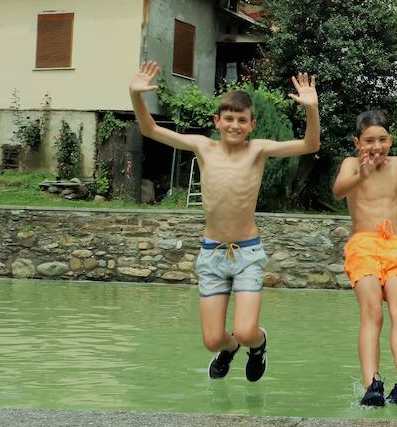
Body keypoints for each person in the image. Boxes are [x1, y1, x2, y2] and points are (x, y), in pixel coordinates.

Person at [128, 61, 319, 381]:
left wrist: (311, 109)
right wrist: (136, 96)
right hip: (212, 253)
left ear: (251, 125)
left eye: (241, 120)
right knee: (212, 340)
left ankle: (257, 346)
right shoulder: (203, 147)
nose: (234, 125)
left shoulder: (258, 150)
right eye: (228, 118)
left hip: (247, 253)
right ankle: (228, 350)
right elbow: (150, 130)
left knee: (246, 331)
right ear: (217, 121)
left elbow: (309, 145)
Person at [332, 110, 397, 408]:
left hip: (394, 246)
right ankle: (373, 385)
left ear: (390, 140)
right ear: (357, 142)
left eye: (382, 139)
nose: (376, 146)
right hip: (362, 246)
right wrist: (361, 175)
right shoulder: (351, 165)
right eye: (369, 140)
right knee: (372, 313)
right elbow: (339, 191)